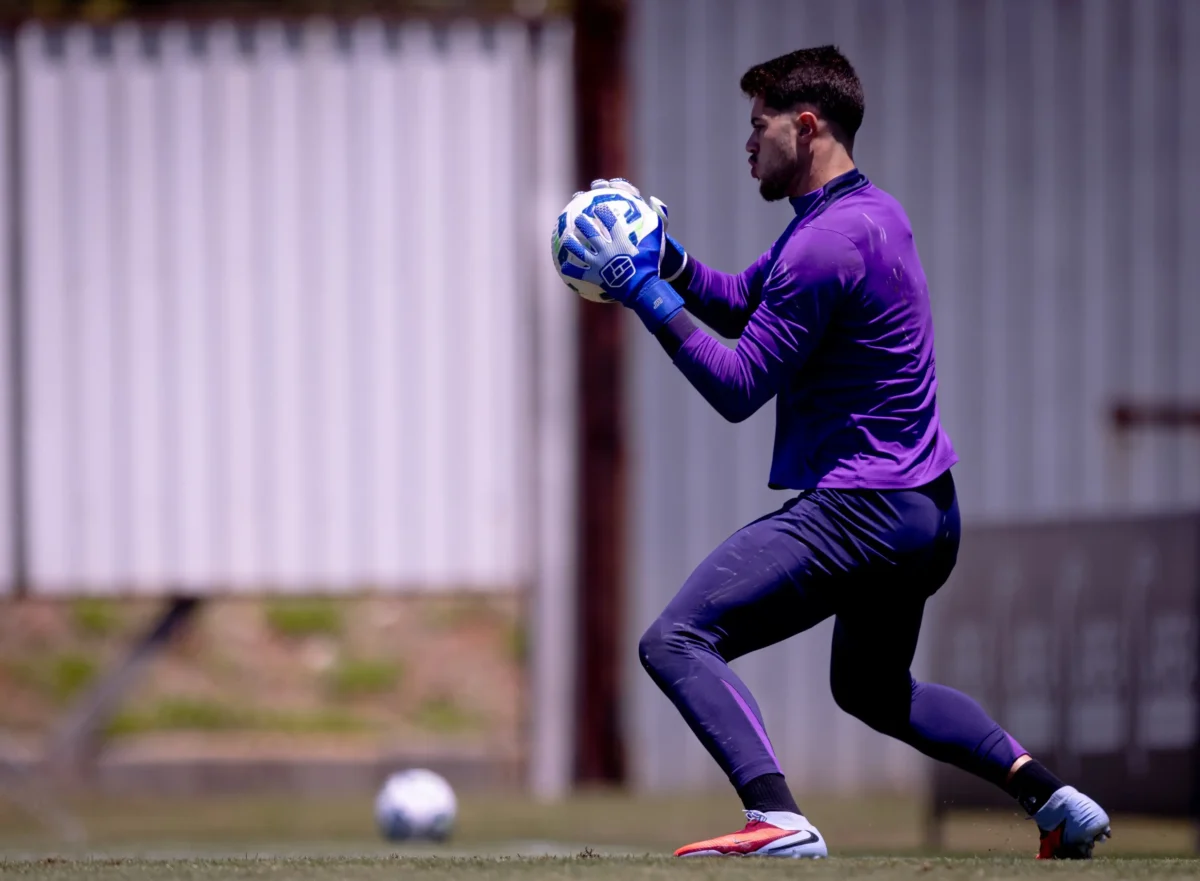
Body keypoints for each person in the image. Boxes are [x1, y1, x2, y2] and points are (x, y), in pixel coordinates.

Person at [558, 45, 1111, 860]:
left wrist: (640, 291)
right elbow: (745, 302)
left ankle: (777, 816)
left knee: (675, 639)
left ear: (806, 125)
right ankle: (1052, 798)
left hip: (862, 509)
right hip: (927, 511)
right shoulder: (866, 215)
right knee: (871, 689)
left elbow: (739, 383)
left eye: (759, 126)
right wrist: (663, 257)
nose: (747, 144)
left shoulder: (824, 245)